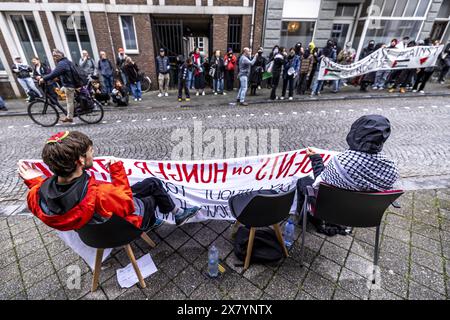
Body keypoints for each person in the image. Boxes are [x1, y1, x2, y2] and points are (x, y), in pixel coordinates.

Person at [18, 131, 201, 232]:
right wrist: (117, 171)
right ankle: (154, 221)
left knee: (151, 183)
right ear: (80, 161)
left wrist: (34, 181)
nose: (93, 153)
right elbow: (126, 203)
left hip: (91, 231)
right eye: (91, 151)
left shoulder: (36, 195)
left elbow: (40, 191)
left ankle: (176, 213)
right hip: (122, 228)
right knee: (152, 194)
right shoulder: (99, 193)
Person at [296, 115, 399, 236]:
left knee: (303, 181)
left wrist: (315, 159)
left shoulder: (341, 162)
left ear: (356, 133)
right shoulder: (392, 169)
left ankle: (306, 219)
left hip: (330, 211)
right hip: (363, 215)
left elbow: (320, 183)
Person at [38, 49, 76, 123]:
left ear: (59, 56)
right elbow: (62, 73)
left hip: (69, 85)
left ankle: (69, 117)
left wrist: (43, 79)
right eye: (53, 56)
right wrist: (56, 78)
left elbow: (54, 73)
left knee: (69, 101)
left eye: (55, 56)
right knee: (59, 91)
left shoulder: (62, 64)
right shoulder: (66, 61)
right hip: (68, 83)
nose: (54, 58)